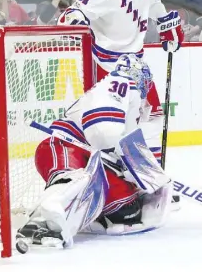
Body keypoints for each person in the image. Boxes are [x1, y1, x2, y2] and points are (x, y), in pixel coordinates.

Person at [16, 55, 173, 251]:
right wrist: (122, 160)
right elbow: (103, 130)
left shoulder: (129, 103)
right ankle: (41, 217)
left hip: (94, 161)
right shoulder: (119, 84)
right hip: (65, 148)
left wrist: (142, 177)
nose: (146, 86)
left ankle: (60, 222)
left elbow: (120, 145)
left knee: (127, 210)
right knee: (73, 179)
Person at [58, 0, 184, 165]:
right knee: (109, 128)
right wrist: (73, 18)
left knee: (152, 117)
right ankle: (106, 170)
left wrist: (165, 22)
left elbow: (154, 3)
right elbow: (78, 11)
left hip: (136, 65)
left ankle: (148, 174)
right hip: (107, 67)